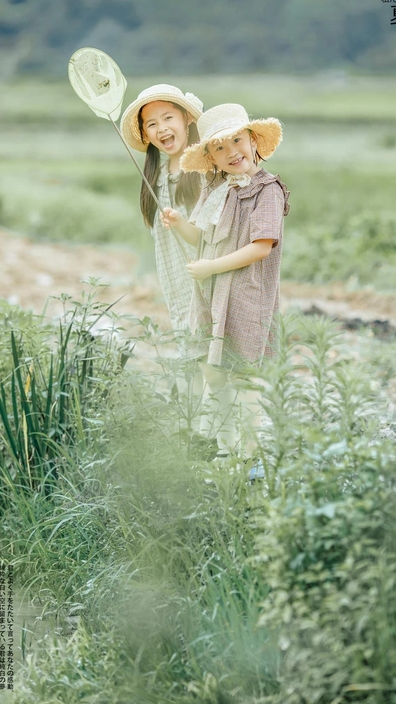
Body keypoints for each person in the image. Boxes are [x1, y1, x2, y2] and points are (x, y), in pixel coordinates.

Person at [161, 103, 290, 463]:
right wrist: (179, 221)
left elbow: (261, 247)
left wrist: (212, 267)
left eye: (237, 140)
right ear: (211, 158)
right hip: (211, 294)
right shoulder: (215, 187)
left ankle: (250, 457)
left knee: (243, 376)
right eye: (219, 147)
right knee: (211, 370)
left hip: (245, 295)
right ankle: (221, 448)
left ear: (252, 140)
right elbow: (199, 237)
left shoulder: (268, 190)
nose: (232, 151)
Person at [120, 84, 205, 336]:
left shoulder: (205, 172)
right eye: (152, 124)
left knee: (213, 358)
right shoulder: (157, 180)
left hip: (209, 285)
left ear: (187, 118)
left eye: (168, 118)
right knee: (191, 358)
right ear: (146, 134)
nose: (162, 128)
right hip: (176, 288)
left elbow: (210, 235)